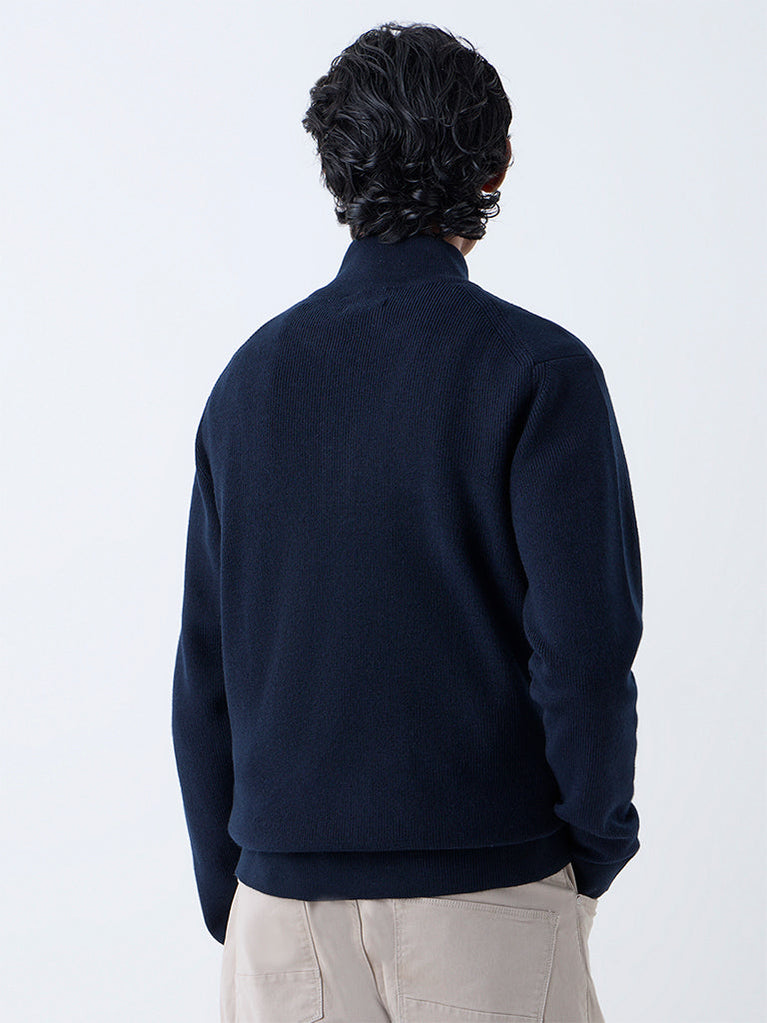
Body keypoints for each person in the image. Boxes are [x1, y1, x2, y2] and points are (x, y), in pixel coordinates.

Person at [172, 20, 642, 1023]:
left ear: (334, 168)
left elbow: (204, 668)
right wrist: (591, 847)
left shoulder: (248, 382)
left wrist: (238, 889)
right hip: (485, 896)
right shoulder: (537, 370)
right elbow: (585, 652)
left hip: (278, 910)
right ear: (495, 162)